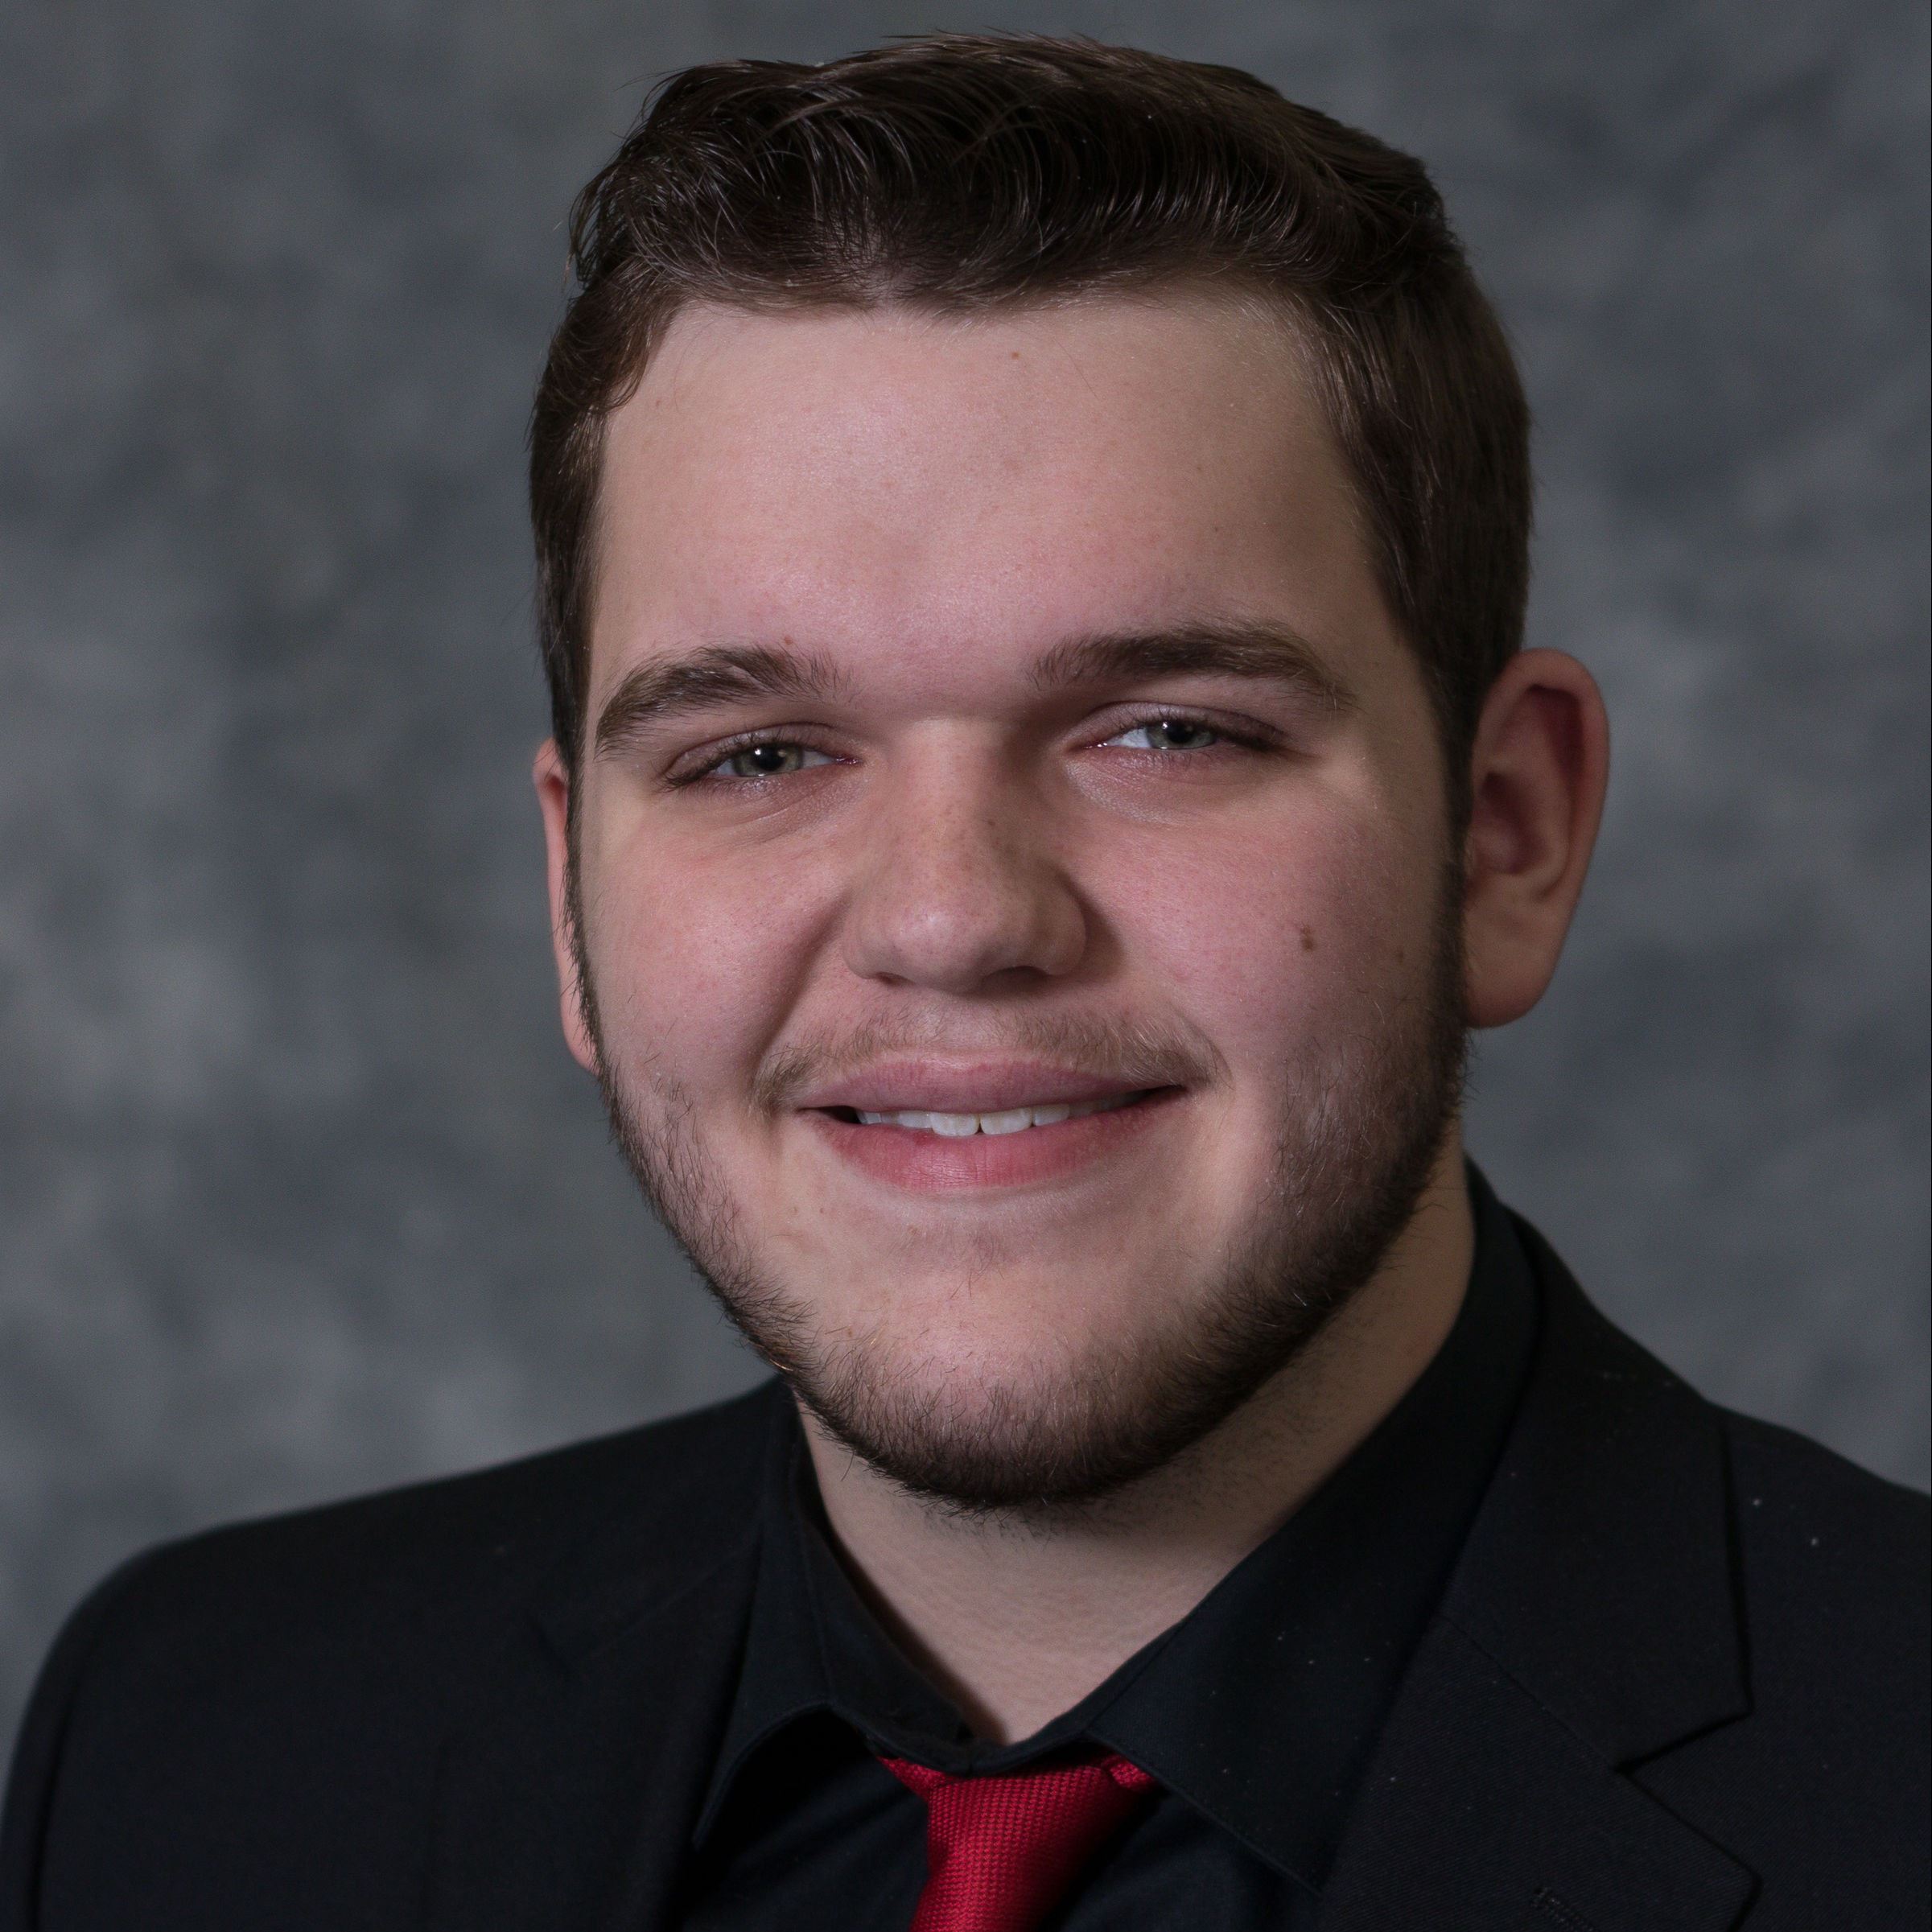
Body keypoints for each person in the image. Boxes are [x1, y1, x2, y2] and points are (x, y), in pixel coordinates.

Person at [2, 32, 1924, 1932]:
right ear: (572, 901)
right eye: (758, 754)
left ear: (1505, 836)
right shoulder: (193, 1754)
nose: (950, 917)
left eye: (1165, 730)